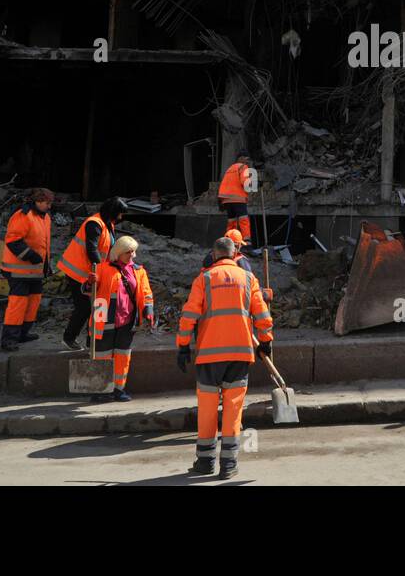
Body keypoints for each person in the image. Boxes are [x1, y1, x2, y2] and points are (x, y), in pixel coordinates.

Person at [176, 236, 274, 479]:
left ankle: (205, 461)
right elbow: (262, 313)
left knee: (208, 409)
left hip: (209, 355)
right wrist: (266, 341)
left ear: (214, 254)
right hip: (240, 354)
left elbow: (189, 314)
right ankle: (228, 465)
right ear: (234, 253)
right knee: (233, 408)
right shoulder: (249, 278)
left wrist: (183, 346)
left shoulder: (204, 278)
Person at [58, 196, 127, 351]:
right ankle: (69, 338)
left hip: (94, 273)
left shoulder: (108, 225)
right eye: (120, 213)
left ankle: (95, 341)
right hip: (80, 273)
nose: (121, 217)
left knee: (99, 306)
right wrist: (102, 270)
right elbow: (92, 249)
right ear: (113, 211)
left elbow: (105, 249)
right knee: (84, 308)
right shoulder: (94, 223)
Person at [91, 235, 154, 403]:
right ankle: (101, 390)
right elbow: (88, 291)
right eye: (129, 252)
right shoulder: (102, 268)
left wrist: (148, 309)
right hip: (102, 315)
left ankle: (118, 389)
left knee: (122, 356)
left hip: (127, 319)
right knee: (102, 355)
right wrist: (90, 283)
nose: (133, 255)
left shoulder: (139, 270)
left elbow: (146, 292)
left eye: (134, 252)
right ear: (118, 253)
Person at [0, 188, 54, 352]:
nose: (49, 206)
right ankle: (9, 339)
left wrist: (45, 266)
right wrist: (31, 256)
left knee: (33, 302)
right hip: (19, 272)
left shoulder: (45, 218)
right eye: (47, 203)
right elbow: (13, 240)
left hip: (34, 271)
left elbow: (43, 244)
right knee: (18, 305)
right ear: (37, 201)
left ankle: (23, 333)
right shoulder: (23, 215)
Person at [218, 152, 254, 244]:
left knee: (232, 221)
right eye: (246, 158)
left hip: (226, 199)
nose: (247, 161)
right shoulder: (243, 167)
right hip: (238, 198)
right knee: (243, 219)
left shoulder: (230, 168)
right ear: (241, 158)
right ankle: (247, 242)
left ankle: (229, 242)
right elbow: (244, 182)